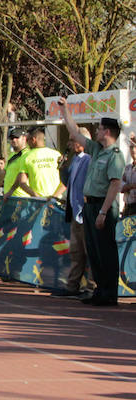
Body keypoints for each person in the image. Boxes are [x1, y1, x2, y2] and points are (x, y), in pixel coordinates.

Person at [59, 100, 124, 307]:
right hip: (89, 205)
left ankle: (108, 293)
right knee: (93, 251)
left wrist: (103, 212)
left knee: (105, 250)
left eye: (100, 129)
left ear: (107, 132)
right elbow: (75, 133)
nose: (97, 132)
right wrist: (65, 111)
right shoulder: (96, 150)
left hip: (102, 206)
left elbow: (114, 185)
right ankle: (99, 291)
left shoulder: (115, 155)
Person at [52, 128, 93, 298]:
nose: (69, 144)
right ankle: (72, 285)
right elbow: (67, 181)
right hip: (75, 212)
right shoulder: (75, 160)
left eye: (72, 140)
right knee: (76, 251)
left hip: (85, 212)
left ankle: (91, 287)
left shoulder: (89, 160)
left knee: (89, 251)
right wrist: (62, 167)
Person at [10, 128, 63, 199]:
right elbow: (65, 180)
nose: (26, 143)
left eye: (27, 140)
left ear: (33, 140)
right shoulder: (56, 154)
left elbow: (22, 183)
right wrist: (55, 196)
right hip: (56, 200)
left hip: (38, 202)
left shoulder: (26, 156)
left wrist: (37, 196)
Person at [2, 128, 31, 200]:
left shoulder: (28, 155)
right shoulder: (12, 156)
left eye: (17, 137)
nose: (14, 140)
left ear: (24, 138)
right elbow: (3, 173)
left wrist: (11, 191)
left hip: (23, 199)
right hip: (10, 198)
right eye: (12, 138)